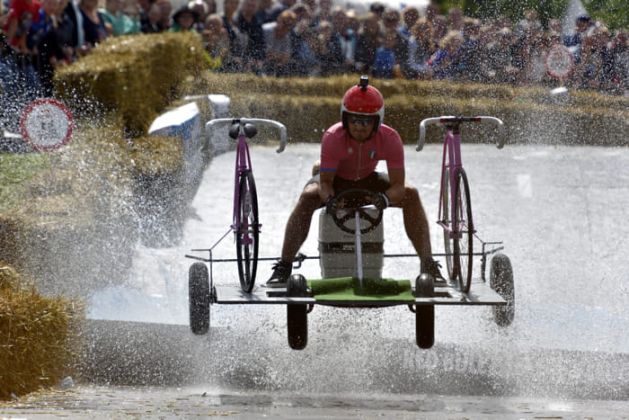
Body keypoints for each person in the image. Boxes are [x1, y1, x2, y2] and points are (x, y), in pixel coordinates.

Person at [267, 76, 444, 287]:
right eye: (354, 120)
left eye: (366, 121)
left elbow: (398, 185)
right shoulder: (333, 137)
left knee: (411, 194)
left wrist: (384, 199)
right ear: (345, 118)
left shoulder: (390, 138)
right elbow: (325, 185)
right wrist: (330, 200)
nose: (360, 127)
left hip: (369, 181)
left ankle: (428, 264)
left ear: (377, 121)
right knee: (307, 197)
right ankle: (284, 266)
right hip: (336, 182)